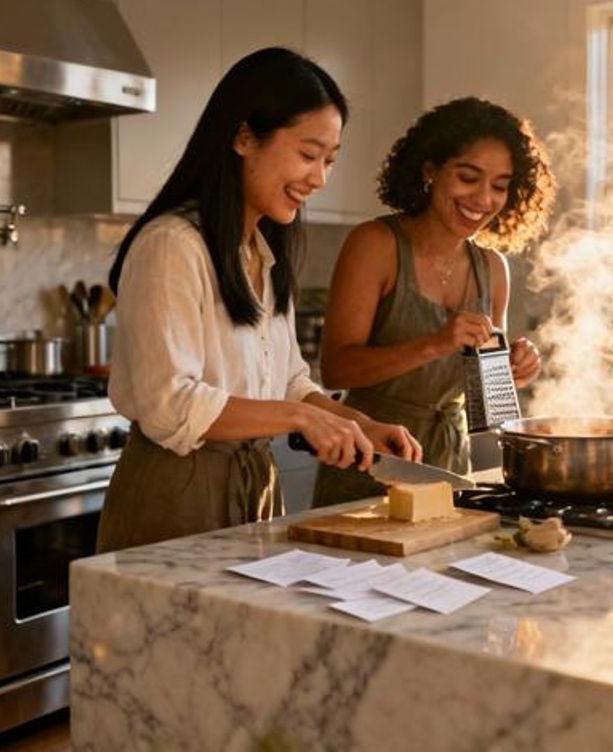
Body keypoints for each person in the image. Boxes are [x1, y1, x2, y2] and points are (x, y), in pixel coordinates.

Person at [96, 47, 420, 553]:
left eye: (329, 161)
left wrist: (359, 425)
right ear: (244, 137)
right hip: (176, 495)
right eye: (309, 155)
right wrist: (300, 420)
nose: (320, 178)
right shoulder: (172, 244)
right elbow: (170, 405)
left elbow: (288, 382)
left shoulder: (263, 254)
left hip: (255, 491)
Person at [312, 96, 555, 507]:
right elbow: (336, 370)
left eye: (499, 185)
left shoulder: (492, 269)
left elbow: (485, 394)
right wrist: (435, 343)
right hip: (369, 457)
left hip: (448, 467)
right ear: (430, 170)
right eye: (468, 177)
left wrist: (511, 368)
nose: (483, 198)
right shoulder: (375, 245)